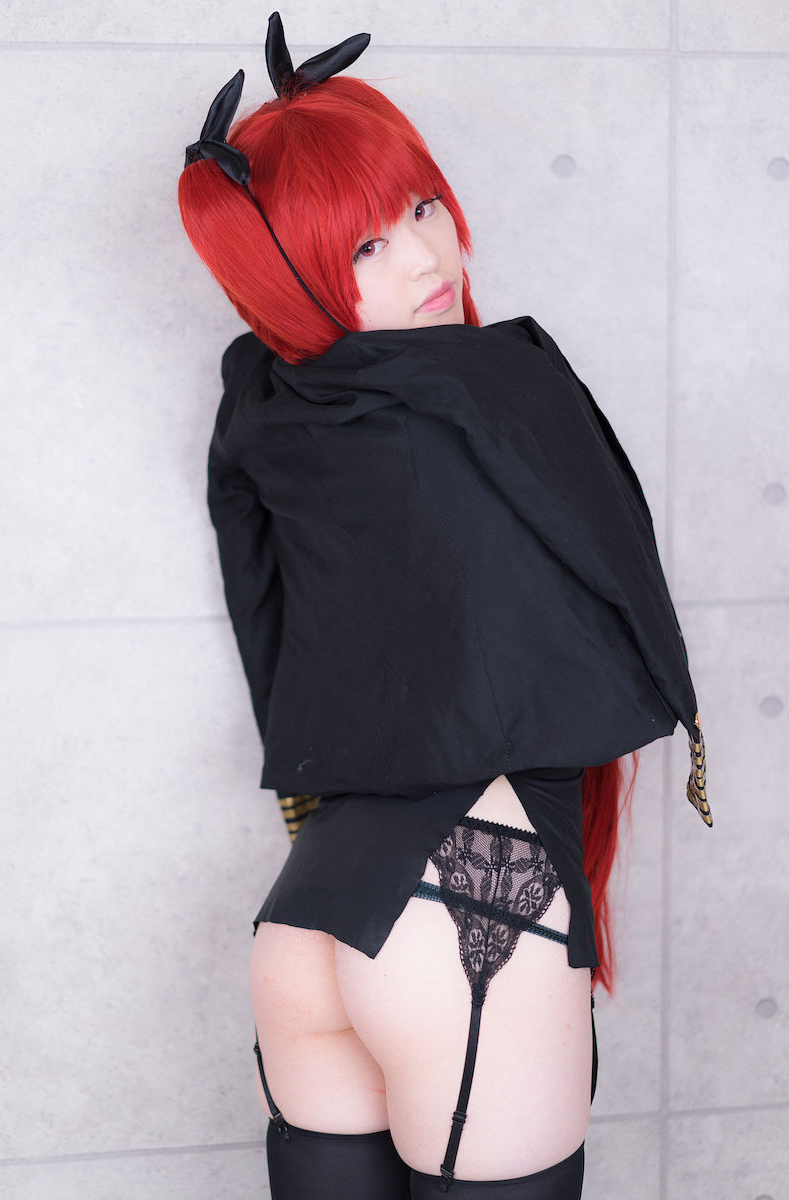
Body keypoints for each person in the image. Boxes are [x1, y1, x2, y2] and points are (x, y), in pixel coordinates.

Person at [178, 14, 711, 1199]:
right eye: (365, 246)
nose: (426, 257)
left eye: (421, 207)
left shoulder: (267, 415)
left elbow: (274, 623)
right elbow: (604, 591)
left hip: (306, 921)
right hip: (474, 906)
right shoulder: (486, 385)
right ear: (284, 272)